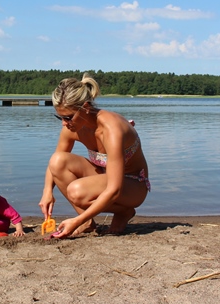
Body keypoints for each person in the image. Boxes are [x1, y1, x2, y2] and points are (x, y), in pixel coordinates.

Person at [39, 74, 150, 238]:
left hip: (133, 185)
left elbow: (114, 189)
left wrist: (76, 221)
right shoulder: (72, 128)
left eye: (68, 117)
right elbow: (54, 165)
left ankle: (123, 212)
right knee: (57, 161)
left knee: (76, 191)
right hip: (105, 178)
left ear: (85, 107)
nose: (64, 123)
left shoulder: (111, 129)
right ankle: (87, 223)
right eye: (60, 117)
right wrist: (47, 192)